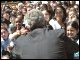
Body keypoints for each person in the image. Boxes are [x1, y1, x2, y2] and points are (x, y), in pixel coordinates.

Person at [12, 9, 78, 59]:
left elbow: (75, 48)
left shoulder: (20, 41)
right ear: (44, 21)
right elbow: (76, 48)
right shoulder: (58, 34)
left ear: (27, 25)